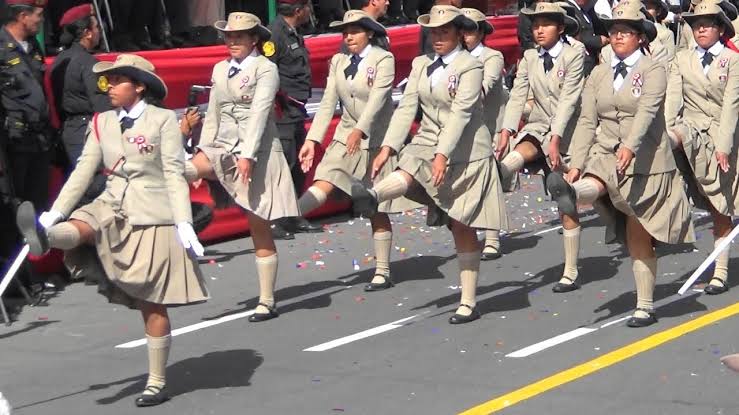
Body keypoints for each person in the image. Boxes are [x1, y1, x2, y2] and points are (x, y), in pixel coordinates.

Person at [15, 54, 209, 406]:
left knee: (153, 305)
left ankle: (155, 381)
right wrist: (54, 213)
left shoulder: (163, 120)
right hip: (112, 203)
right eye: (105, 81)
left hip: (151, 214)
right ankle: (45, 236)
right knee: (86, 222)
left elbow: (173, 173)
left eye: (115, 81)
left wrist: (183, 222)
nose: (107, 88)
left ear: (138, 86)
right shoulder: (102, 121)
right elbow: (83, 171)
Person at [352, 5, 509, 324]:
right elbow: (407, 106)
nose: (437, 37)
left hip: (465, 149)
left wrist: (443, 154)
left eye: (444, 31)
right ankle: (373, 196)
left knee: (463, 228)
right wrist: (388, 146)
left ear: (458, 33)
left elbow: (462, 113)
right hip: (428, 140)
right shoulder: (421, 64)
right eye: (433, 32)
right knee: (408, 163)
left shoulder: (471, 66)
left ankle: (468, 301)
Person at [546, 6, 695, 326]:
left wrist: (630, 145)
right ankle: (574, 189)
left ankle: (645, 306)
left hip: (646, 159)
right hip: (607, 151)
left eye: (624, 32)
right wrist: (577, 161)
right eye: (613, 31)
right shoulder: (599, 73)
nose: (616, 37)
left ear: (640, 36)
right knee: (599, 172)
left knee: (638, 235)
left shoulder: (653, 69)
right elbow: (587, 120)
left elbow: (647, 111)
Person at [188, 12, 300, 322]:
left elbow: (261, 112)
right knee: (185, 169)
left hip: (258, 150)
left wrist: (248, 156)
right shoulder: (219, 68)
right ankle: (175, 221)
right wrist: (204, 151)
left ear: (254, 39)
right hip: (223, 145)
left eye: (240, 36)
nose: (232, 41)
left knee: (258, 224)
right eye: (229, 36)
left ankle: (266, 300)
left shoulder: (267, 68)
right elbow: (213, 113)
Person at [298, 11, 420, 291]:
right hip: (345, 135)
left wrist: (360, 130)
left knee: (375, 205)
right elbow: (328, 102)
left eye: (355, 31)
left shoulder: (383, 59)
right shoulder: (338, 61)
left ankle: (382, 270)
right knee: (325, 177)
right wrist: (313, 140)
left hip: (375, 138)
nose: (349, 37)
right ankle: (292, 216)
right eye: (345, 32)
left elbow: (379, 100)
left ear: (369, 34)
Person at [665, 1, 739, 295]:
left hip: (726, 138)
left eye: (708, 24)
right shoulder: (681, 59)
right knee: (714, 203)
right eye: (696, 25)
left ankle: (719, 272)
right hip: (692, 134)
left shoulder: (732, 61)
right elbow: (673, 99)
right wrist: (668, 132)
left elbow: (731, 107)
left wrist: (723, 146)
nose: (702, 29)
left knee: (723, 204)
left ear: (720, 29)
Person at [496, 3, 583, 195]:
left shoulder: (573, 55)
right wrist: (506, 130)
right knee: (526, 141)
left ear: (560, 28)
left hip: (569, 130)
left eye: (546, 25)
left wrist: (555, 139)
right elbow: (518, 95)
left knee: (564, 198)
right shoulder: (530, 56)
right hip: (539, 125)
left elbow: (568, 100)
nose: (539, 30)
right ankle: (499, 171)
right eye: (535, 25)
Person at [267, 0, 321, 239]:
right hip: (283, 110)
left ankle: (294, 214)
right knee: (284, 165)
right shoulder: (275, 34)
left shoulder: (292, 33)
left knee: (297, 164)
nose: (310, 12)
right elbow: (268, 72)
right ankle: (276, 220)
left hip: (296, 110)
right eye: (308, 7)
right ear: (299, 10)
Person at [460, 7, 508, 261]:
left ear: (481, 32)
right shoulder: (454, 58)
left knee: (490, 181)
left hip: (488, 126)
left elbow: (484, 88)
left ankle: (492, 237)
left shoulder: (492, 56)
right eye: (462, 29)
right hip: (462, 127)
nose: (465, 35)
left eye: (470, 29)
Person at [0, 0, 50, 211]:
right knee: (15, 205)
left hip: (39, 138)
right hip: (14, 141)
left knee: (38, 201)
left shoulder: (32, 46)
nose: (41, 20)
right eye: (37, 15)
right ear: (22, 16)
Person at [50, 4, 110, 169]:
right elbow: (102, 104)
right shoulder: (90, 63)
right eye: (96, 27)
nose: (99, 30)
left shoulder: (58, 61)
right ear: (87, 33)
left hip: (68, 131)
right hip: (87, 132)